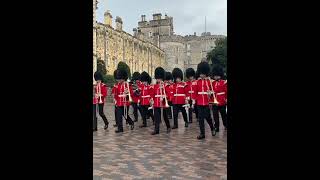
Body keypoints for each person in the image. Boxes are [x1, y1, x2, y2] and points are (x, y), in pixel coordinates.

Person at [194, 62, 216, 139]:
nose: (201, 75)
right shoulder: (197, 82)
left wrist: (211, 93)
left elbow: (213, 91)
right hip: (199, 102)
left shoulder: (209, 81)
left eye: (203, 73)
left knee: (207, 117)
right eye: (200, 73)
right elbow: (195, 92)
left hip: (207, 102)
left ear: (206, 73)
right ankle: (202, 133)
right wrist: (195, 100)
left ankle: (212, 128)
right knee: (200, 118)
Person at [150, 67, 171, 135]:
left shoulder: (165, 85)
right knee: (156, 117)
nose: (158, 79)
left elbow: (168, 94)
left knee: (165, 116)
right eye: (157, 78)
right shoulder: (155, 86)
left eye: (160, 78)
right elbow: (153, 94)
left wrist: (165, 97)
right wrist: (152, 100)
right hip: (156, 103)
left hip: (163, 103)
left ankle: (168, 127)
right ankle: (156, 130)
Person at [113, 69, 134, 133]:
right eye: (118, 79)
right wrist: (115, 100)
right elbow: (116, 94)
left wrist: (127, 93)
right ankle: (120, 128)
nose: (119, 80)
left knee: (125, 115)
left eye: (120, 79)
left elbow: (131, 94)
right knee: (119, 115)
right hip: (119, 102)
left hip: (126, 102)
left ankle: (131, 122)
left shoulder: (128, 85)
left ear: (123, 78)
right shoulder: (117, 85)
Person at [211, 66, 227, 132]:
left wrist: (226, 99)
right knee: (215, 116)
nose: (216, 77)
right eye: (215, 76)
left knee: (223, 115)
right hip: (215, 102)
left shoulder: (224, 82)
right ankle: (216, 127)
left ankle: (225, 125)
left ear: (220, 75)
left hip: (222, 101)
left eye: (217, 76)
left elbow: (226, 91)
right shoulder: (212, 83)